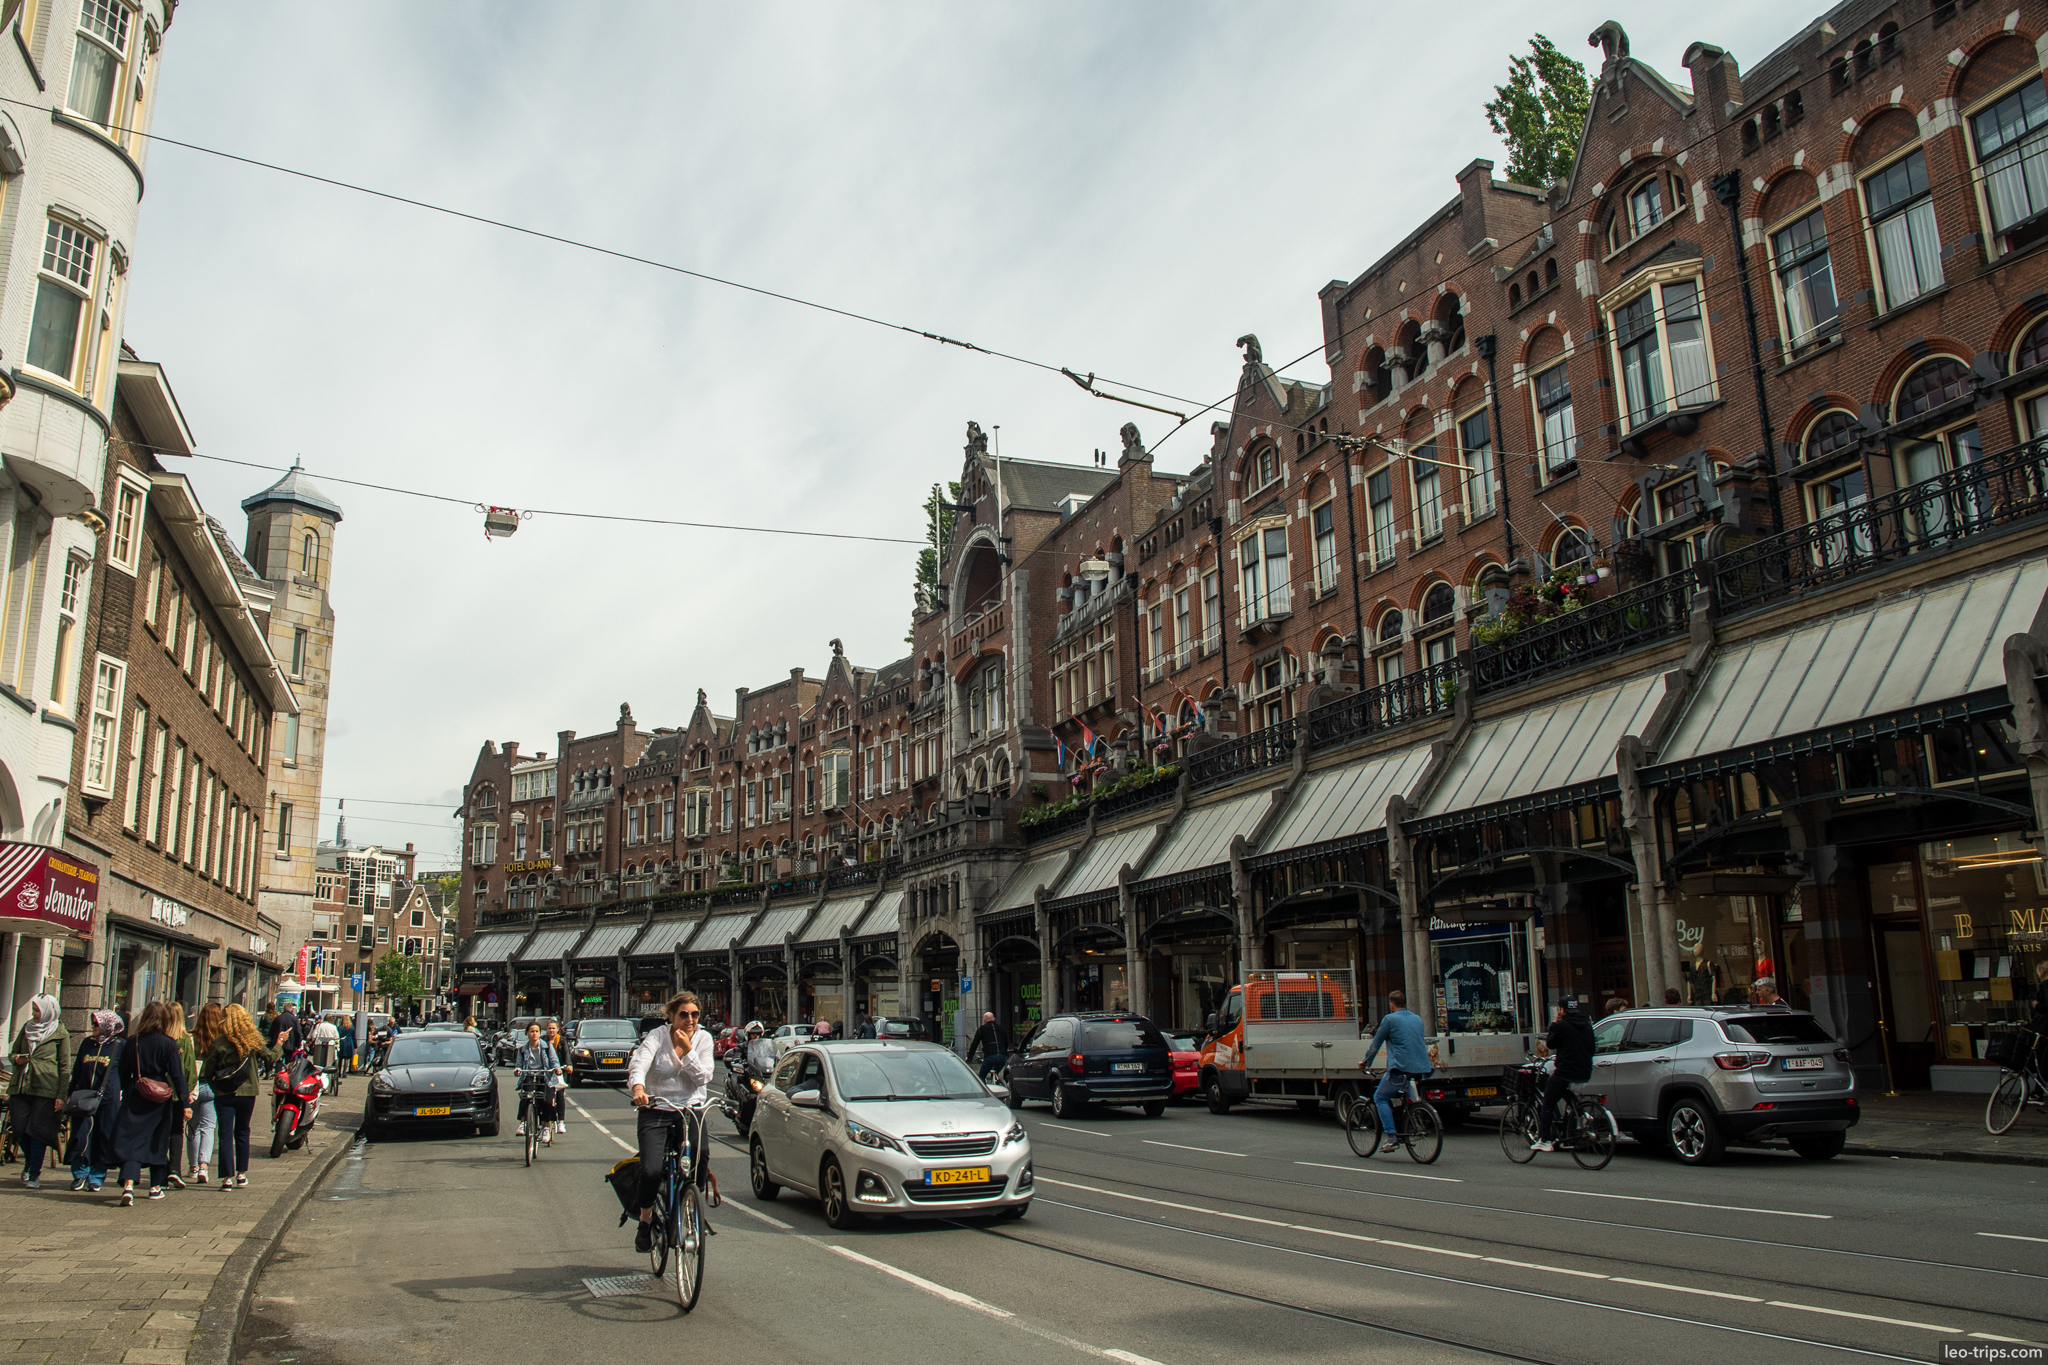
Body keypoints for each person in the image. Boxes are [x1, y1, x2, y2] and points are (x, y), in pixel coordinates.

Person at [628, 991, 714, 1254]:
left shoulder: (703, 1039)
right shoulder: (658, 1036)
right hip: (657, 1108)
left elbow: (703, 1078)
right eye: (684, 1014)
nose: (690, 1020)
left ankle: (692, 1204)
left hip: (690, 1109)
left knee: (703, 1155)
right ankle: (645, 1219)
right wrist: (639, 1089)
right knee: (651, 1170)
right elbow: (640, 1062)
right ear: (671, 1016)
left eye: (695, 1014)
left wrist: (688, 1051)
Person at [112, 1002, 189, 1206]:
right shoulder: (168, 1043)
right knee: (157, 1139)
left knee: (131, 1140)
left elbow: (122, 1071)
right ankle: (155, 1186)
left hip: (136, 1093)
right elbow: (177, 1074)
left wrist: (128, 1088)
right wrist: (185, 1100)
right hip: (159, 1097)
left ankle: (129, 1184)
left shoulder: (133, 1041)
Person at [202, 1004, 272, 1191]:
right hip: (247, 1093)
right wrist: (280, 1044)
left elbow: (207, 1071)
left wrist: (216, 1088)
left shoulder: (219, 1043)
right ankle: (242, 1174)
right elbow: (270, 1058)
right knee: (242, 1132)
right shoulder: (253, 1041)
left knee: (224, 1134)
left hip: (224, 1094)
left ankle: (226, 1178)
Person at [1358, 989, 1432, 1155]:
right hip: (1421, 1067)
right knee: (1403, 1092)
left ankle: (1392, 1137)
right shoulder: (1417, 1018)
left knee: (1380, 1098)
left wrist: (1365, 1062)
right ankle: (1410, 1115)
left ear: (1391, 1005)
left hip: (1400, 1067)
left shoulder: (1390, 1019)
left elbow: (1376, 1044)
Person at [8, 994, 68, 1189]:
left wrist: (61, 1095)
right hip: (22, 1084)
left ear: (48, 1011)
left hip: (46, 1087)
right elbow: (13, 1052)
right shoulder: (27, 1028)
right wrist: (16, 1058)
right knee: (19, 1128)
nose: (34, 1014)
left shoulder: (60, 1033)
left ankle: (34, 1172)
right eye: (34, 1010)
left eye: (37, 1010)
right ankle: (29, 1163)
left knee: (37, 1132)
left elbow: (65, 1066)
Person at [65, 1010, 123, 1192]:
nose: (93, 1028)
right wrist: (69, 1092)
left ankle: (96, 1176)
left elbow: (125, 1071)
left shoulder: (120, 1045)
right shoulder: (86, 1044)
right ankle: (79, 1173)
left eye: (97, 1024)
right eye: (93, 1024)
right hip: (83, 1097)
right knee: (79, 1136)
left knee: (102, 1136)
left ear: (107, 1026)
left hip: (108, 1099)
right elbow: (77, 1069)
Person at [1533, 1000, 1596, 1153]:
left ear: (1561, 1009)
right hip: (1585, 1071)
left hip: (1565, 1071)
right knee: (1564, 1091)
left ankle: (1545, 1140)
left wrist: (1554, 1024)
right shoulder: (1586, 1023)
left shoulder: (1561, 1025)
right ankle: (1583, 1114)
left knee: (1548, 1102)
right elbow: (1592, 1048)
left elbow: (1550, 1044)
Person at [186, 1004, 224, 1186]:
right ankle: (203, 1166)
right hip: (211, 1085)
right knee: (208, 1127)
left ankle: (193, 1167)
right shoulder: (220, 1039)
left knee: (192, 1126)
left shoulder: (191, 1037)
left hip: (193, 1085)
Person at [512, 1022, 563, 1144]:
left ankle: (546, 1126)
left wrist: (557, 1069)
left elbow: (554, 1060)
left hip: (545, 1076)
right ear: (527, 1033)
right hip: (529, 1075)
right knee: (525, 1096)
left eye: (536, 1031)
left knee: (546, 1100)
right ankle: (523, 1123)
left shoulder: (547, 1047)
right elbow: (518, 1065)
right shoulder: (522, 1049)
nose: (534, 1034)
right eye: (531, 1031)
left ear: (540, 1034)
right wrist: (517, 1070)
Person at [165, 1004, 196, 1189]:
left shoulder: (161, 1038)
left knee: (161, 1132)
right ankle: (174, 1169)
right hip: (178, 1094)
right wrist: (187, 1093)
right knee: (177, 1131)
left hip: (159, 1094)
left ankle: (163, 1168)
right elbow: (190, 1069)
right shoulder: (184, 1040)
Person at [543, 1019, 570, 1134]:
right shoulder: (543, 1041)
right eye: (549, 1028)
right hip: (547, 1070)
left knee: (560, 1095)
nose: (551, 1030)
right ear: (546, 1029)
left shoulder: (562, 1041)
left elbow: (566, 1054)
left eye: (553, 1028)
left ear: (557, 1029)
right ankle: (544, 1123)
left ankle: (561, 1122)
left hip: (560, 1070)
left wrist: (569, 1065)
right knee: (546, 1096)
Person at [966, 1012, 1008, 1082]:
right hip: (1002, 1056)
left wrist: (970, 1057)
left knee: (981, 1077)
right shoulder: (1001, 1028)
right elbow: (1006, 1043)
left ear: (984, 1020)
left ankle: (984, 1091)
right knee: (996, 1070)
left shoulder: (981, 1029)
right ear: (994, 1019)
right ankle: (998, 1082)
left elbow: (975, 1044)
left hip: (990, 1056)